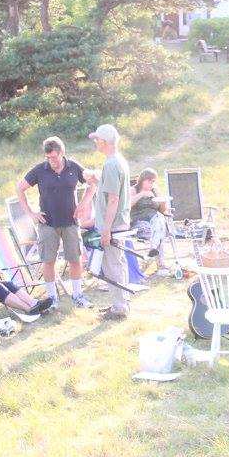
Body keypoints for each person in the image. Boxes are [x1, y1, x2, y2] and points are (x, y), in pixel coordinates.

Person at [15, 136, 95, 309]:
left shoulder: (74, 167)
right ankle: (52, 298)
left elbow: (93, 183)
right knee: (48, 261)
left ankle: (77, 294)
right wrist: (30, 212)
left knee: (75, 259)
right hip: (47, 223)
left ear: (62, 153)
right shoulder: (39, 170)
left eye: (54, 157)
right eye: (48, 157)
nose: (51, 161)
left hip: (71, 221)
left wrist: (84, 203)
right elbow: (20, 188)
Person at [92, 123, 132, 321]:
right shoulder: (118, 160)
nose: (95, 142)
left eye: (97, 139)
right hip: (120, 221)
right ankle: (122, 302)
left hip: (113, 224)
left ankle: (119, 308)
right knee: (118, 263)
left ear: (104, 142)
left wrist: (106, 229)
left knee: (112, 265)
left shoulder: (111, 164)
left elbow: (113, 200)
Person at [129, 169, 172, 275]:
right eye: (149, 181)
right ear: (142, 180)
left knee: (160, 220)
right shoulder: (133, 190)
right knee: (159, 228)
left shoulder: (154, 190)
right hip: (139, 222)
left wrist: (162, 202)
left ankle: (153, 250)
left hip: (154, 219)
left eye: (153, 181)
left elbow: (162, 210)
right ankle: (160, 264)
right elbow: (127, 205)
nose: (151, 184)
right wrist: (142, 194)